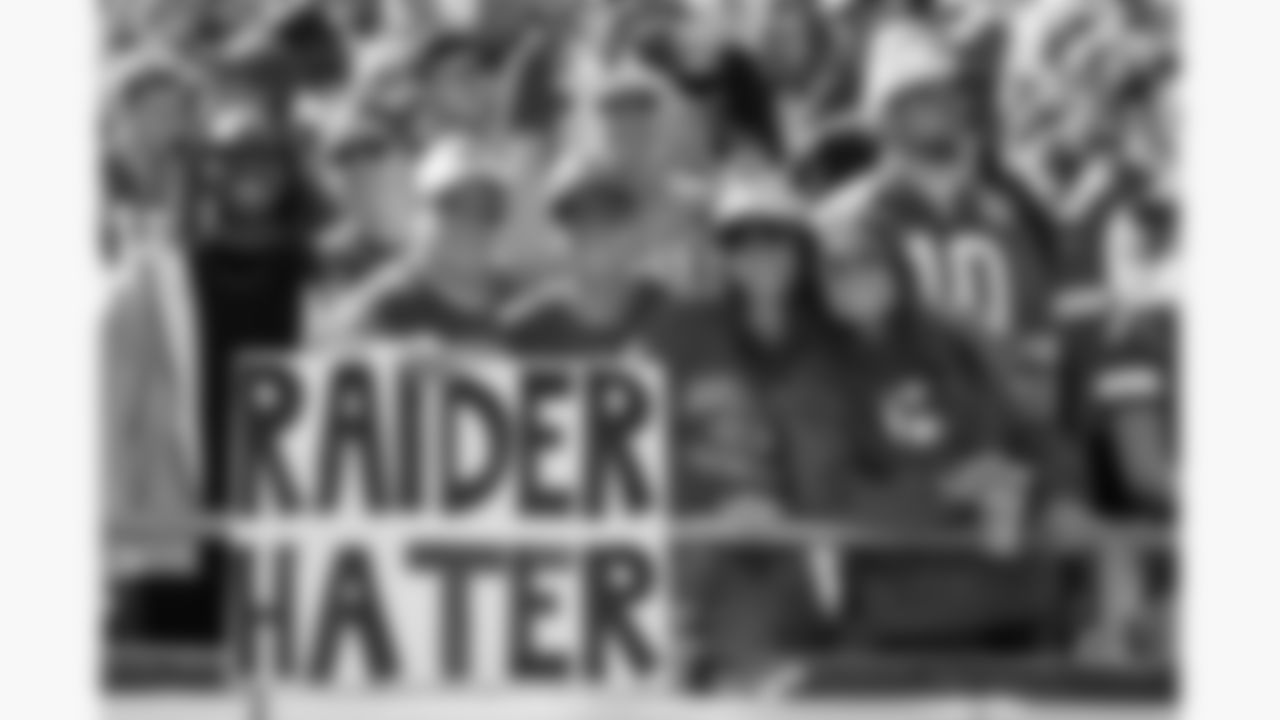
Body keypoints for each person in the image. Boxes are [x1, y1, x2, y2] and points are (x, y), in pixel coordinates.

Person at [812, 240, 1090, 661]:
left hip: (1015, 597)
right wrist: (943, 491)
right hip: (906, 610)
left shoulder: (959, 339)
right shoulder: (820, 369)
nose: (857, 285)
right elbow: (828, 490)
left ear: (899, 274)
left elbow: (1033, 429)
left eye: (869, 269)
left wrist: (1061, 496)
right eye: (839, 276)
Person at [326, 135, 519, 342]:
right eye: (453, 204)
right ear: (419, 212)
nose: (469, 221)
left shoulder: (522, 307)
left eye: (488, 208)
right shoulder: (378, 310)